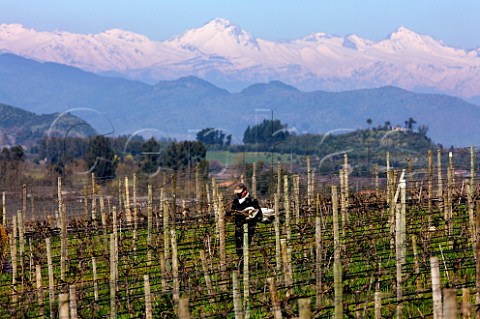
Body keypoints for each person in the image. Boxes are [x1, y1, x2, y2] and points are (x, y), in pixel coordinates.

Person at [229, 182, 262, 271]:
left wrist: (247, 215)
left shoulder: (252, 200)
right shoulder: (235, 201)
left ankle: (244, 265)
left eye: (240, 192)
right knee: (238, 246)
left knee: (245, 245)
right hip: (238, 226)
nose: (238, 194)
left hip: (249, 227)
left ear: (245, 191)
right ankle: (241, 262)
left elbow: (257, 213)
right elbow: (233, 211)